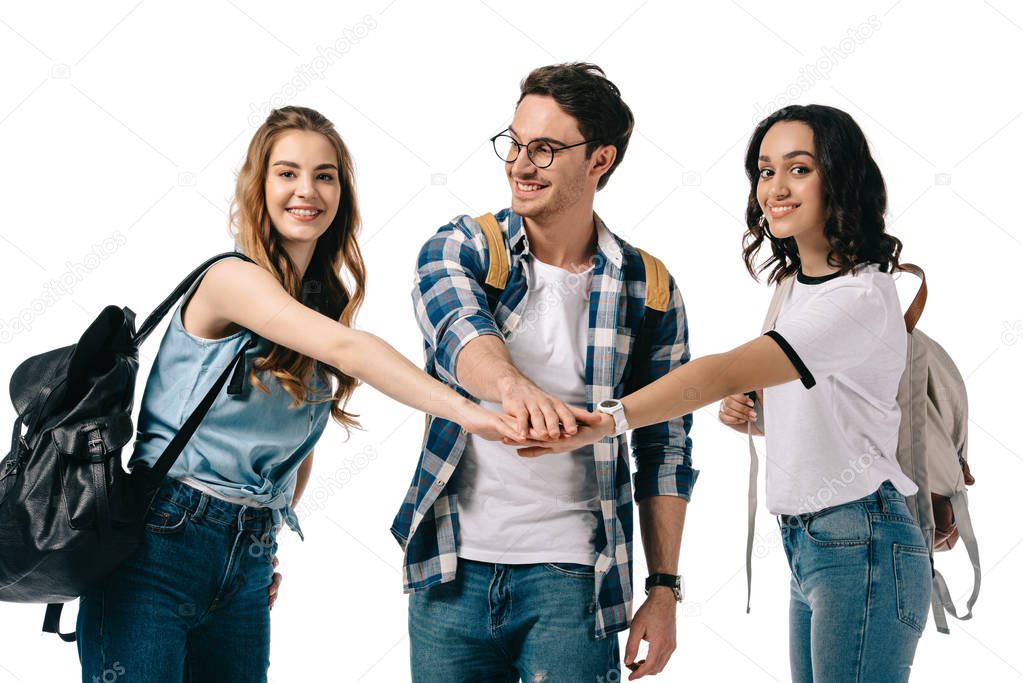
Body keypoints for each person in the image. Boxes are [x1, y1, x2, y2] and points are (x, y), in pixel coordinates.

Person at [76, 105, 519, 683]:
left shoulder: (313, 305)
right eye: (286, 173)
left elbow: (298, 445)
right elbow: (352, 350)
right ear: (259, 186)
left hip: (247, 555)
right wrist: (468, 410)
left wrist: (254, 539)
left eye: (324, 175)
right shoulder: (230, 280)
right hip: (159, 545)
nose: (306, 190)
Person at [515, 104, 933, 683]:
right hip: (813, 542)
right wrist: (760, 416)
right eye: (765, 171)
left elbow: (721, 371)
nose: (775, 188)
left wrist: (612, 419)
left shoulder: (860, 295)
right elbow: (836, 404)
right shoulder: (795, 287)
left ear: (841, 177)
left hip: (859, 536)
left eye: (799, 169)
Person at [394, 63, 696, 682]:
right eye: (513, 143)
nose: (520, 165)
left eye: (545, 149)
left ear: (600, 160)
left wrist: (662, 589)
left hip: (574, 577)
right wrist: (513, 387)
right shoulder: (463, 247)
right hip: (452, 568)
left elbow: (665, 446)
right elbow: (458, 334)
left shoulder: (650, 288)